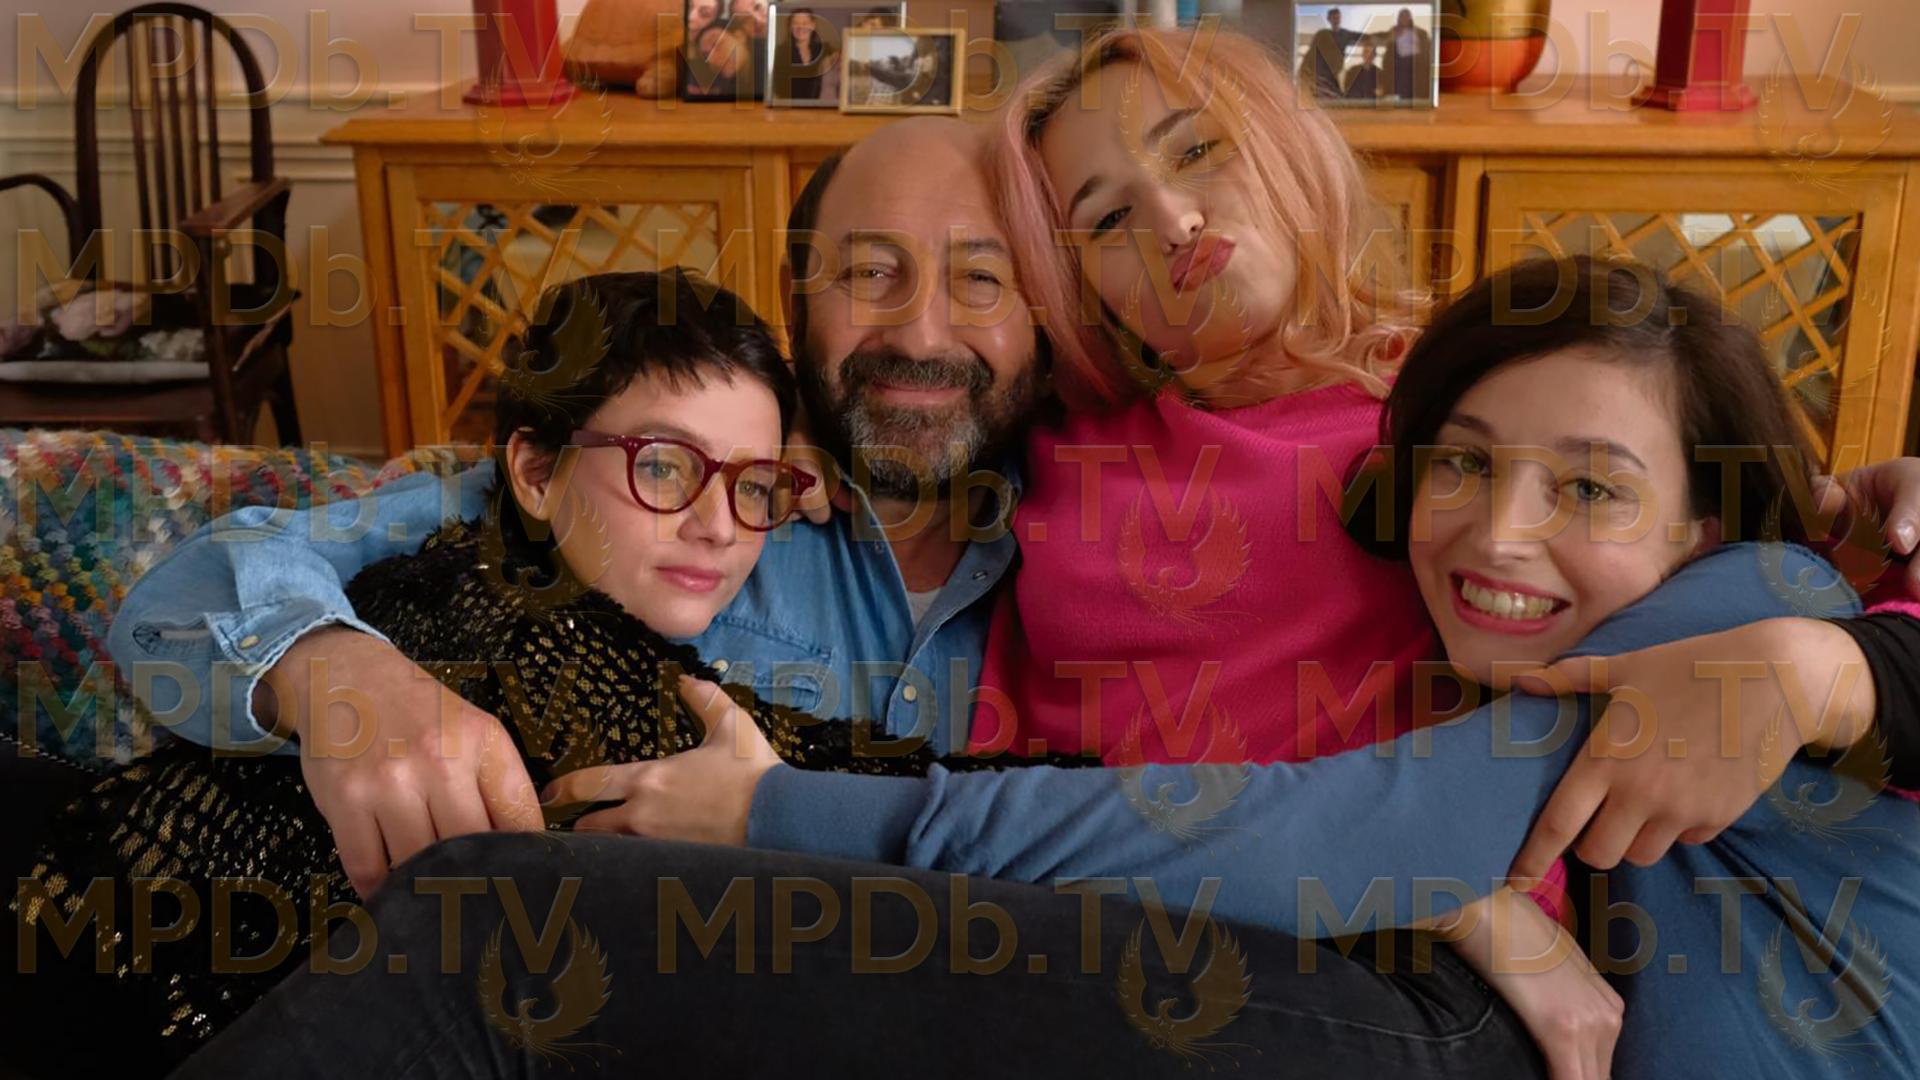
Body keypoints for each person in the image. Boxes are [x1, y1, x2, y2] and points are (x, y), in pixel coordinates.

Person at [169, 258, 1920, 1079]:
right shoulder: (710, 485)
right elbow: (260, 558)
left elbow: (1314, 833)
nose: (1498, 532)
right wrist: (329, 669)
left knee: (492, 921)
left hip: (1374, 1013)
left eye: (1590, 487)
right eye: (1461, 465)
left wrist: (777, 815)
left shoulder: (1750, 614)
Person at [4, 270, 1064, 1075]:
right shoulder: (478, 576)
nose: (716, 524)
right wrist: (334, 672)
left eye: (753, 485)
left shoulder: (707, 602)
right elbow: (182, 599)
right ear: (534, 470)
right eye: (664, 465)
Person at [780, 9, 838, 102]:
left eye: (805, 23)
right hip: (791, 106)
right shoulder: (781, 51)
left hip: (821, 106)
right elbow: (780, 88)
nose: (800, 27)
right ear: (790, 26)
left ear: (813, 25)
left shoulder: (825, 49)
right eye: (795, 23)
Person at [1301, 6, 1356, 99]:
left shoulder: (1344, 35)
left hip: (1330, 79)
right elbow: (1310, 57)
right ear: (1329, 19)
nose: (1336, 21)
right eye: (1334, 18)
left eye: (1338, 18)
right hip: (1320, 79)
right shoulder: (1321, 35)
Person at [1383, 7, 1433, 102]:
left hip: (1416, 65)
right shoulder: (1393, 32)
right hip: (1399, 67)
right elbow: (1388, 53)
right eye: (1402, 17)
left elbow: (1426, 51)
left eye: (1406, 17)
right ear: (1398, 19)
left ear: (1410, 18)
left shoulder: (1421, 33)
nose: (1404, 19)